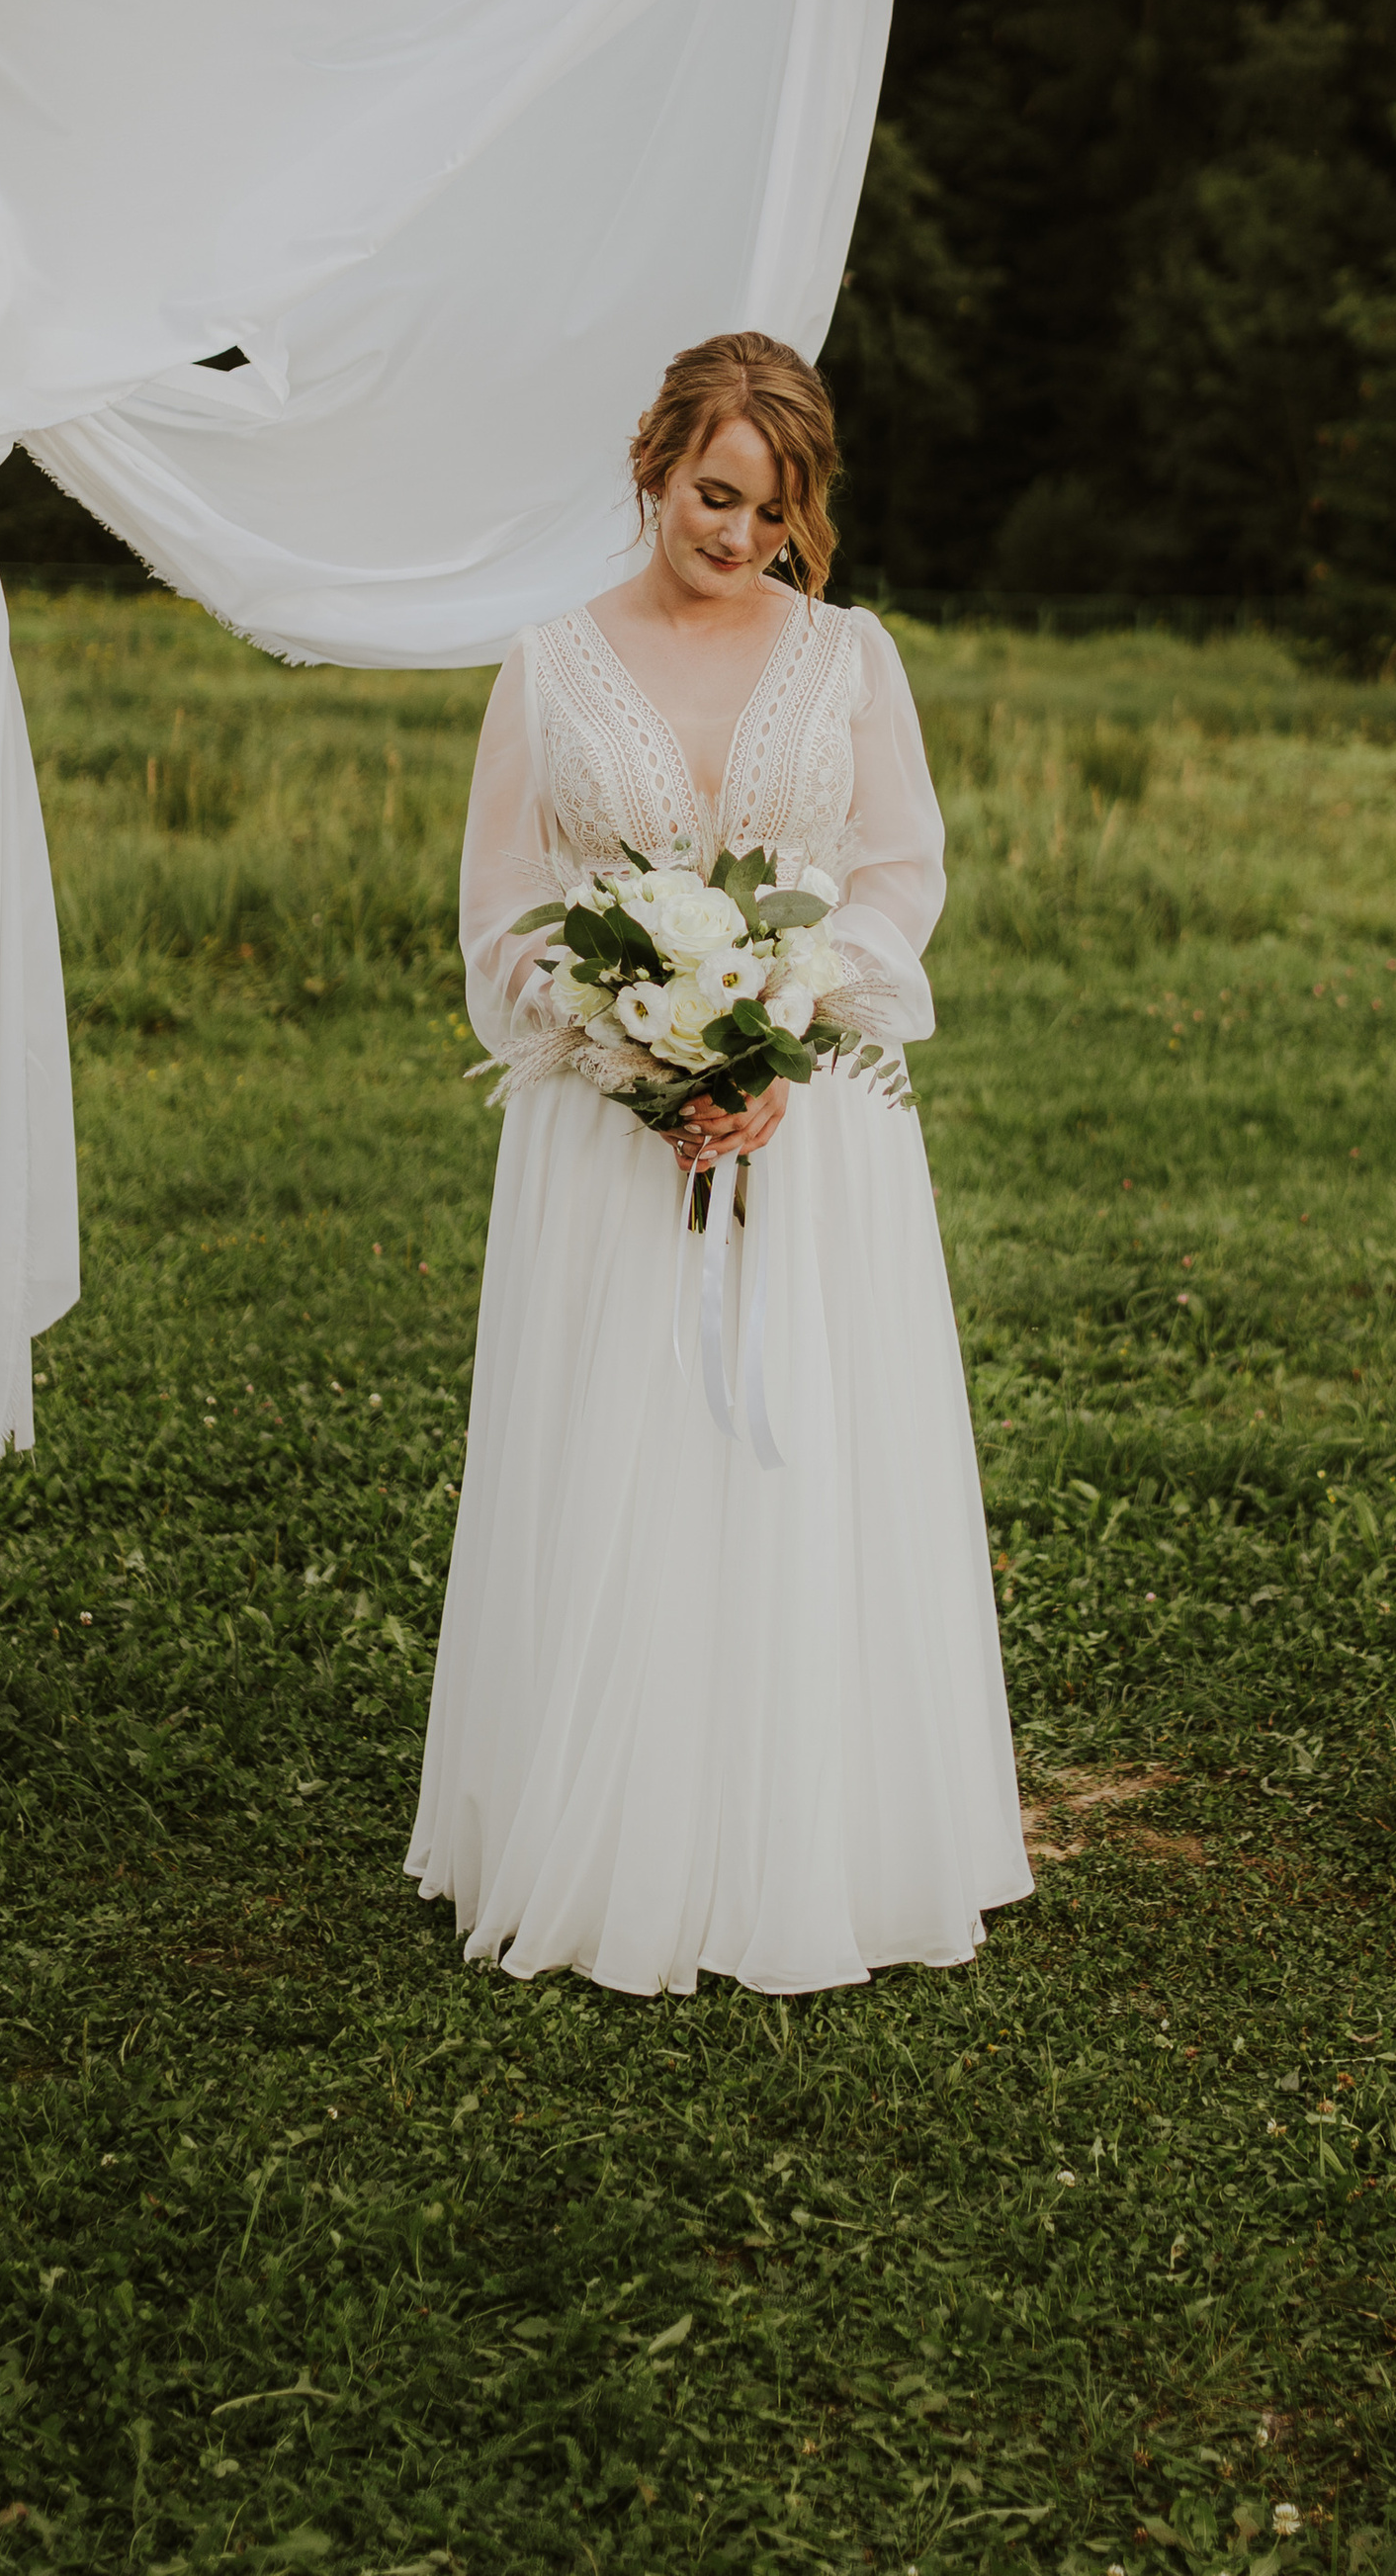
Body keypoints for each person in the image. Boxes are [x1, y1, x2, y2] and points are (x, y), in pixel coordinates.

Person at [407, 331, 1032, 1994]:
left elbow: (898, 873)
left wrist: (779, 1024)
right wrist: (626, 1033)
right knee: (620, 1454)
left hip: (813, 1133)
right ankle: (609, 1836)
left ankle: (816, 1837)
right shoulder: (549, 666)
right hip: (606, 1143)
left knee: (795, 1456)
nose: (741, 536)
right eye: (713, 496)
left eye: (773, 509)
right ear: (654, 466)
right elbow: (500, 913)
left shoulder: (851, 658)